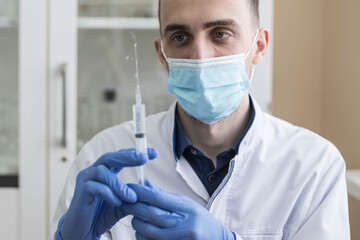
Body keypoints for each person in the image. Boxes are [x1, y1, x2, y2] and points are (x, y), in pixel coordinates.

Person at [50, 0, 350, 239]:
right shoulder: (105, 156)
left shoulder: (314, 165)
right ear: (162, 54)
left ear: (258, 46)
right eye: (180, 37)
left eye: (220, 33)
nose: (201, 56)